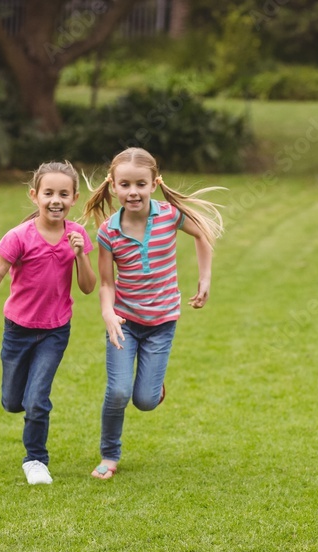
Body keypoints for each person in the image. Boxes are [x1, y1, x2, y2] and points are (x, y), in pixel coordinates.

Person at [83, 147, 225, 479]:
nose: (133, 192)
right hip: (124, 323)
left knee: (145, 400)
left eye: (141, 184)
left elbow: (203, 233)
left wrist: (205, 278)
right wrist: (108, 313)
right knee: (118, 392)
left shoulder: (169, 216)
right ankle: (109, 456)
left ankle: (153, 387)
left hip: (162, 323)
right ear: (113, 186)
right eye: (126, 185)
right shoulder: (108, 232)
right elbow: (106, 283)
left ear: (154, 183)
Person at [0, 161, 95, 485]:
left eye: (63, 193)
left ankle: (35, 460)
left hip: (55, 331)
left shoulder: (77, 235)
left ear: (74, 197)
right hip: (18, 331)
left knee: (37, 400)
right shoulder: (19, 236)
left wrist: (81, 255)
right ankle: (25, 407)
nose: (56, 199)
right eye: (48, 192)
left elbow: (88, 287)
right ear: (35, 195)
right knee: (11, 402)